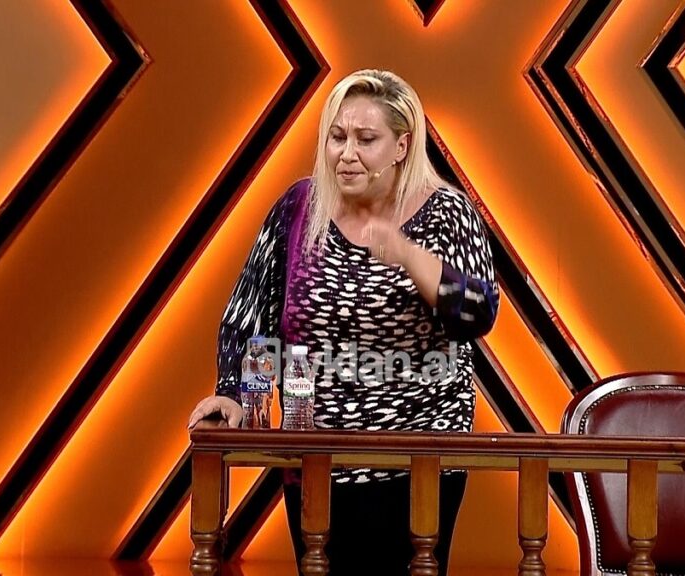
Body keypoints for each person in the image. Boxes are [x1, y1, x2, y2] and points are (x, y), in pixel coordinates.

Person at [188, 69, 499, 575]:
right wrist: (233, 392)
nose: (346, 154)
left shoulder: (447, 211)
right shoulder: (299, 207)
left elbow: (476, 313)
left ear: (402, 146)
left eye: (365, 139)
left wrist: (407, 255)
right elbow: (254, 313)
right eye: (337, 137)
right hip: (315, 457)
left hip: (419, 458)